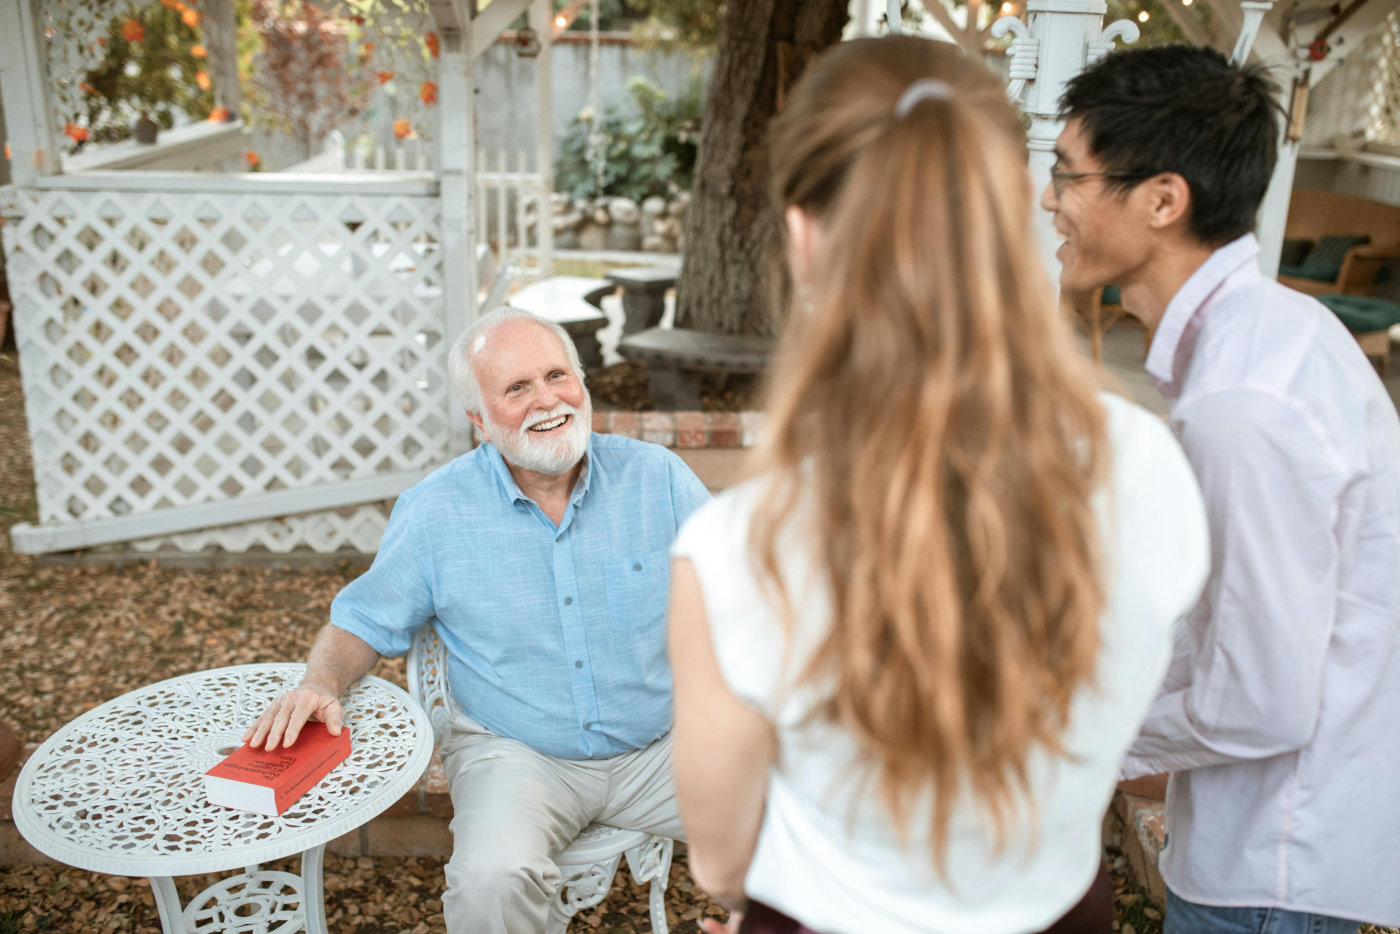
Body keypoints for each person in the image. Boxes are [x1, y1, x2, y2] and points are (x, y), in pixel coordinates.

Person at [667, 36, 1211, 934]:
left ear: (804, 238)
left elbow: (722, 858)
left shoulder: (739, 548)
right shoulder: (1146, 466)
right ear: (1009, 215)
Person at [1044, 44, 1400, 934]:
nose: (1050, 200)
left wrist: (1068, 744)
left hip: (1273, 864)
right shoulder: (1270, 338)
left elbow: (1259, 701)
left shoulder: (1246, 397)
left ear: (1163, 199)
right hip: (1264, 849)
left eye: (1069, 176)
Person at [245, 306, 710, 934]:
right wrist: (321, 682)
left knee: (833, 808)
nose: (547, 400)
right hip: (519, 754)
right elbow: (363, 618)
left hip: (667, 745)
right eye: (516, 388)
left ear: (582, 382)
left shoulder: (658, 479)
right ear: (478, 421)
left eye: (556, 375)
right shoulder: (436, 511)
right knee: (492, 881)